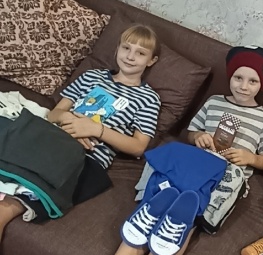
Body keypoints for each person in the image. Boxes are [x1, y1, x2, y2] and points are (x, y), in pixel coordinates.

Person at [66, 45, 263, 255]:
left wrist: (251, 158)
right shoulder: (215, 102)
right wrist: (199, 137)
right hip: (191, 164)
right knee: (157, 205)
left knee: (185, 210)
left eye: (252, 81)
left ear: (262, 84)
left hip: (224, 174)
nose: (244, 86)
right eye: (238, 78)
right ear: (230, 76)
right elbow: (191, 133)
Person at [0, 24, 161, 242]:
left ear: (151, 60)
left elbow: (138, 147)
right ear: (117, 49)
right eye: (126, 48)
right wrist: (71, 120)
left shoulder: (148, 99)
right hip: (51, 138)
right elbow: (54, 114)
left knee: (5, 210)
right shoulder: (91, 77)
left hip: (85, 157)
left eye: (140, 53)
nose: (130, 56)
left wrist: (96, 129)